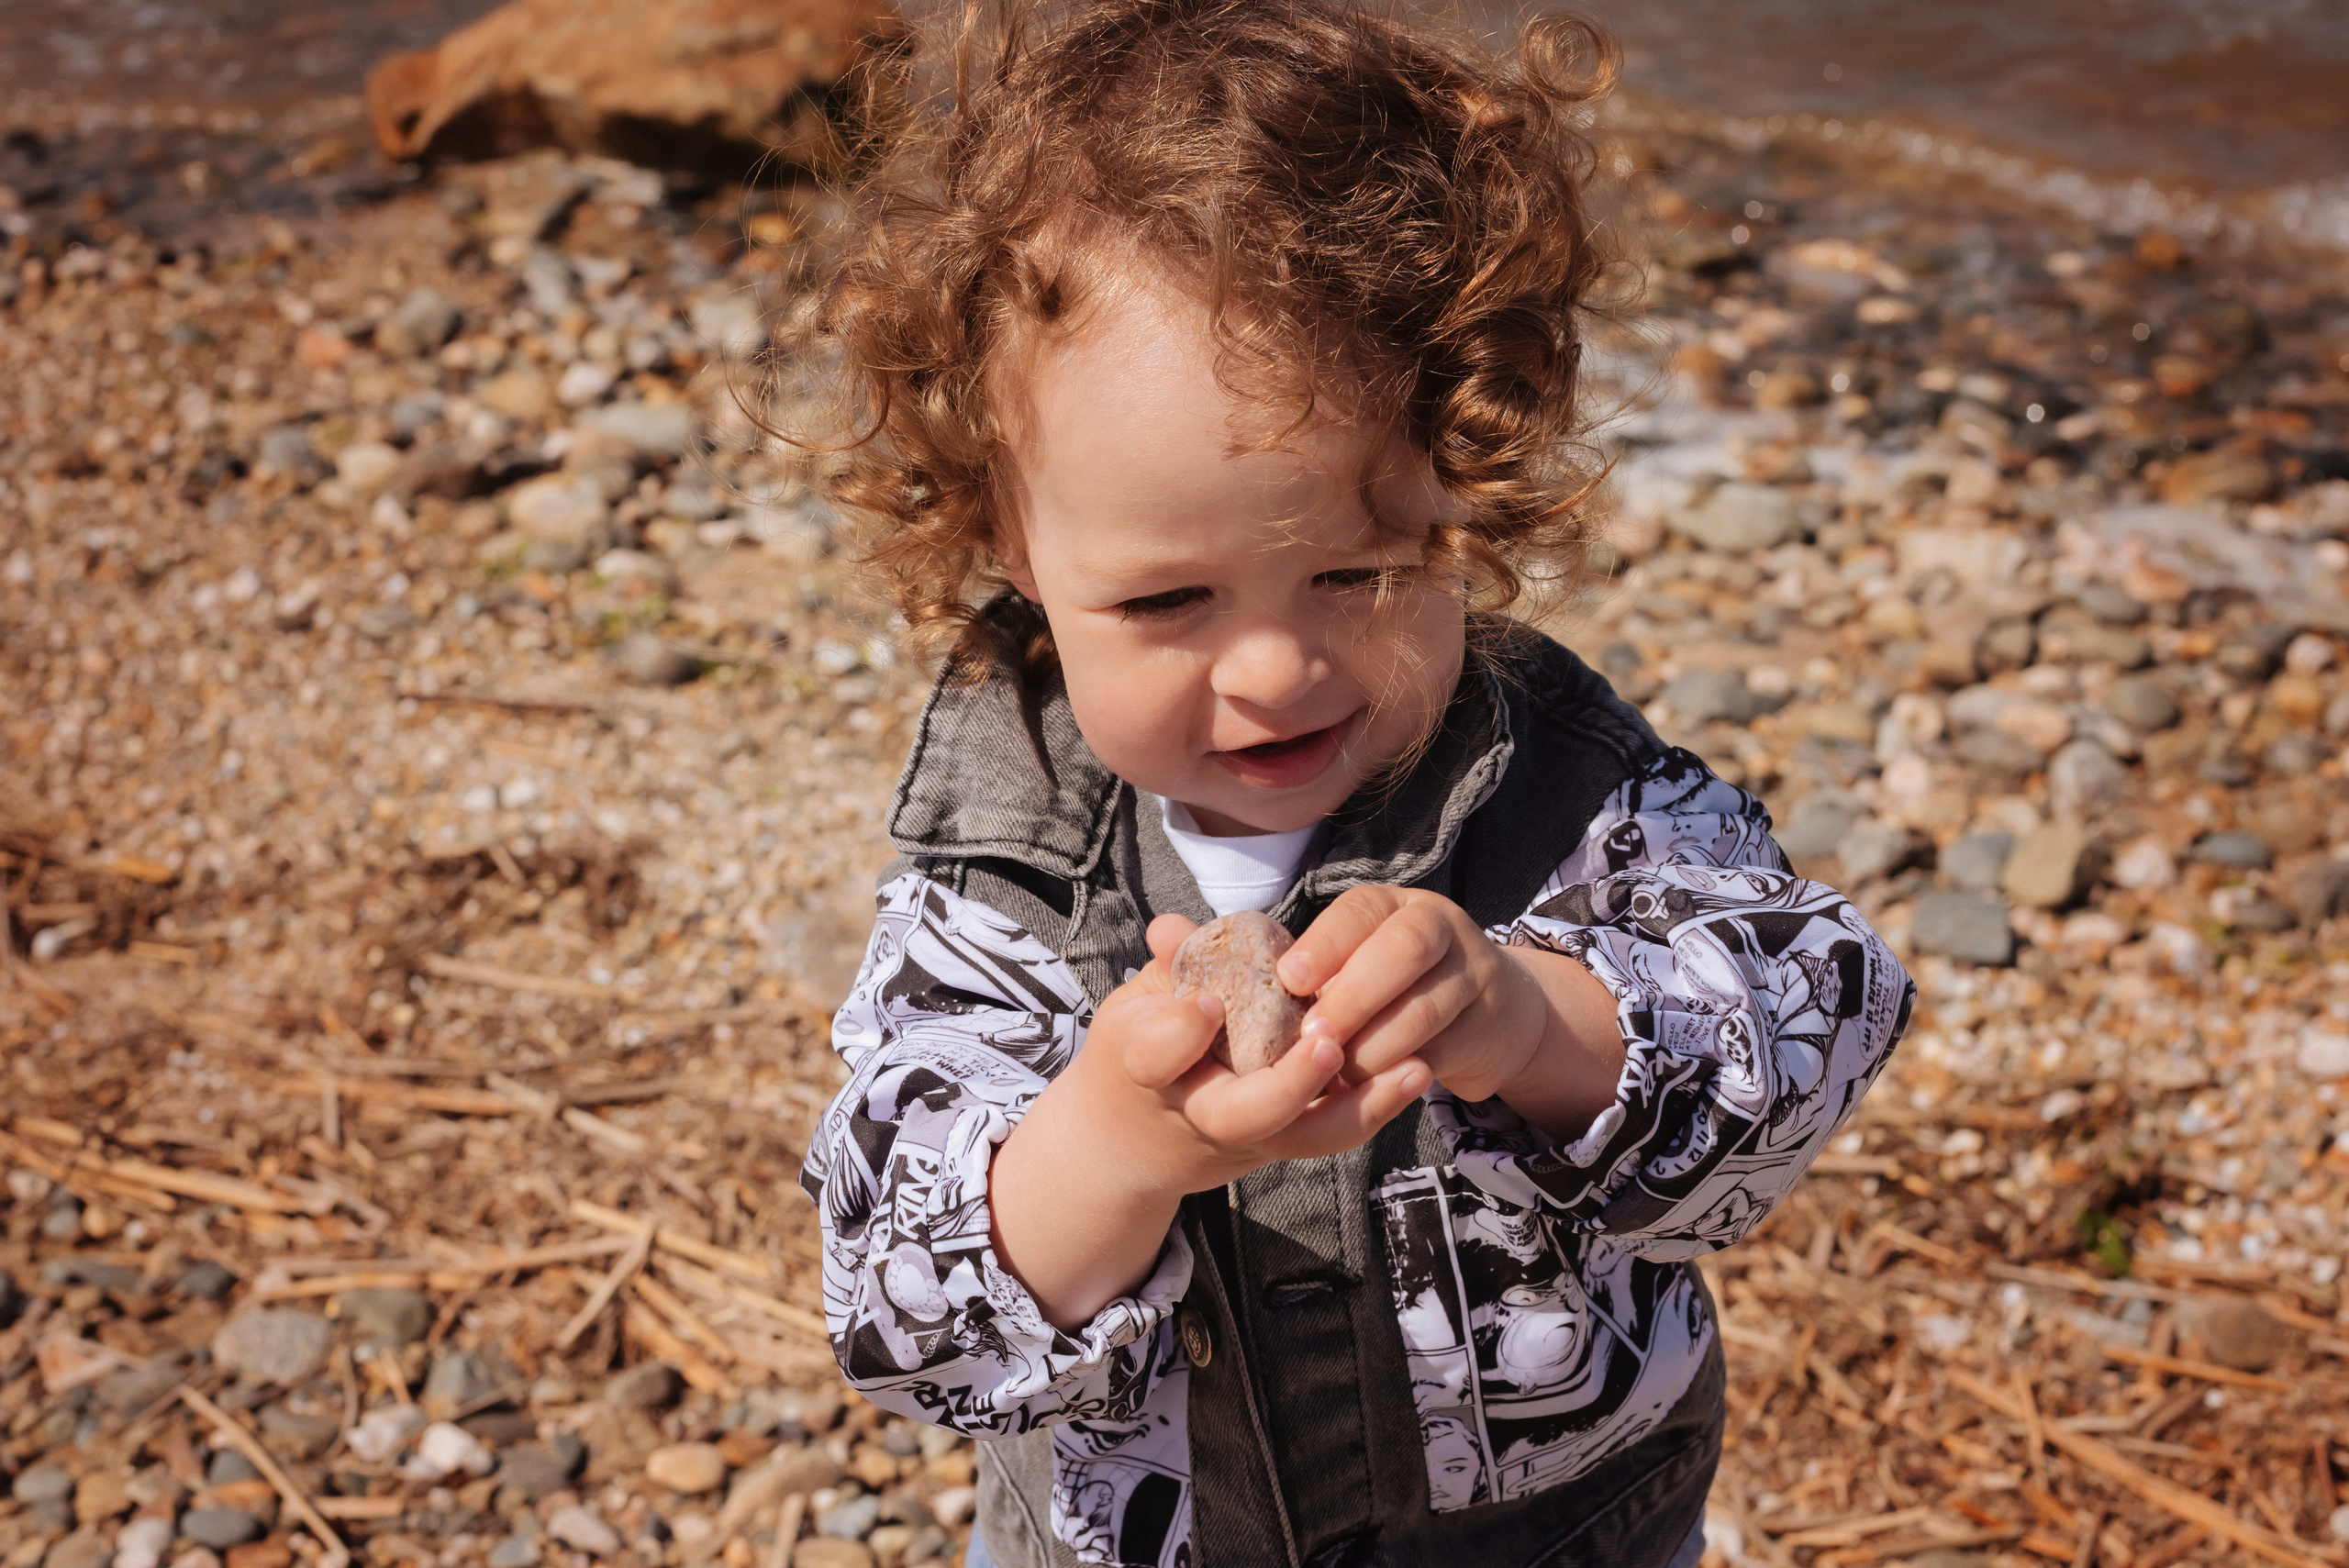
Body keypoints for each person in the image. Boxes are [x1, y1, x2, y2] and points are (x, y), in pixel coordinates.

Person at [791, 3, 1914, 1563]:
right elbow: (903, 1311)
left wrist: (1528, 1014)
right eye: (1168, 602)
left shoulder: (1561, 791)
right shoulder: (1003, 876)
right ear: (1010, 538)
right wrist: (1116, 1139)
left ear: (1465, 486)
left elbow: (1814, 1016)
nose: (1274, 670)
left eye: (1355, 570)